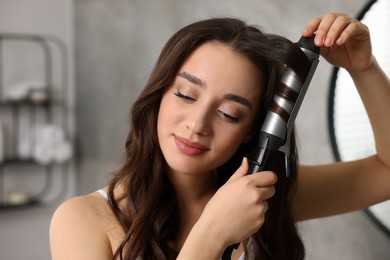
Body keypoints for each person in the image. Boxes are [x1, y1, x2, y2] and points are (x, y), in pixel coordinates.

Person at [49, 12, 390, 260]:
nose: (197, 124)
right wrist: (211, 234)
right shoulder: (85, 220)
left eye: (230, 114)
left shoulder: (262, 196)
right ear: (159, 95)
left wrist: (364, 68)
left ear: (250, 132)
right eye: (185, 95)